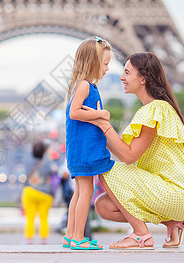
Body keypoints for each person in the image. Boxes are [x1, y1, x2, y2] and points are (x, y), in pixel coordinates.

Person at [85, 52, 184, 249]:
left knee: (103, 168)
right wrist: (99, 124)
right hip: (174, 193)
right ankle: (172, 223)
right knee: (103, 206)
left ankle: (140, 235)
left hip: (175, 192)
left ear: (143, 78)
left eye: (127, 73)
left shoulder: (155, 110)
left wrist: (103, 123)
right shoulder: (157, 108)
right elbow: (124, 150)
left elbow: (128, 156)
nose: (122, 77)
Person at [62, 37, 115, 250]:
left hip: (80, 149)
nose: (108, 68)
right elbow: (75, 113)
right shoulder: (85, 86)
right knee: (86, 192)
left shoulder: (83, 85)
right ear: (92, 62)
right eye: (105, 63)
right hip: (85, 150)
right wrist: (101, 114)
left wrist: (97, 114)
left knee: (79, 192)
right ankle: (77, 237)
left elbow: (75, 112)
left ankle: (70, 235)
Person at [21, 140, 57, 245]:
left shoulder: (27, 160)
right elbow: (54, 171)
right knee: (44, 217)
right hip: (45, 194)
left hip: (30, 191)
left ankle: (29, 239)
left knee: (30, 217)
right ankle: (43, 240)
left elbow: (25, 173)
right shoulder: (47, 161)